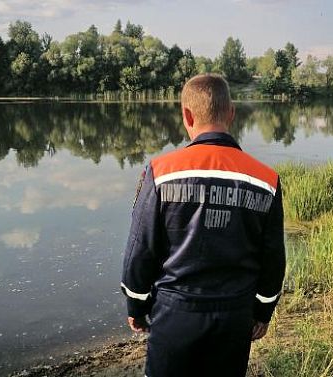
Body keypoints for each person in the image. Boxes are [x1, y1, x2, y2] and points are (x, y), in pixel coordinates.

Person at [121, 74, 285, 377]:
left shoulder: (159, 172)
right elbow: (273, 258)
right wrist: (263, 311)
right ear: (232, 114)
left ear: (186, 115)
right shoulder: (267, 179)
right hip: (235, 316)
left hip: (175, 312)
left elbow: (140, 247)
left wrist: (136, 303)